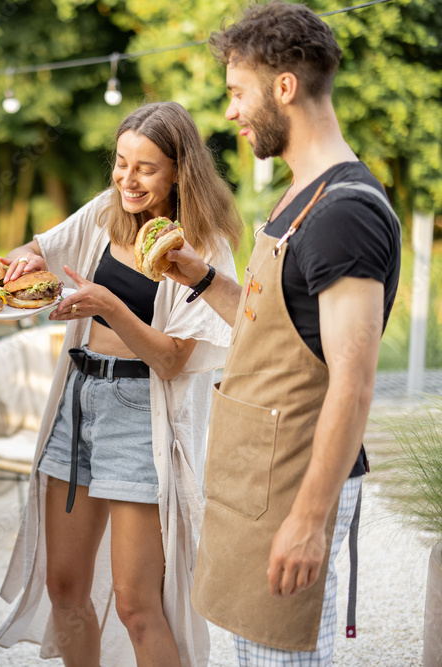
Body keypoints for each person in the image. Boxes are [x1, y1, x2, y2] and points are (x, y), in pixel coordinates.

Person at [163, 2, 402, 664]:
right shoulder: (302, 196)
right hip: (258, 484)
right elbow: (278, 325)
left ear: (285, 88)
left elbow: (352, 384)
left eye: (238, 92)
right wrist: (202, 276)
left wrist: (308, 519)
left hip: (296, 487)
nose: (231, 111)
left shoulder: (346, 214)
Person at [0, 101, 243, 666]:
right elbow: (40, 247)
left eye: (146, 168)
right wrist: (26, 261)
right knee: (64, 589)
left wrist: (112, 308)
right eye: (121, 163)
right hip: (76, 402)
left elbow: (173, 361)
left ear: (179, 171)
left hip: (136, 413)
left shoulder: (203, 246)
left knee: (136, 604)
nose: (128, 178)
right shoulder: (106, 212)